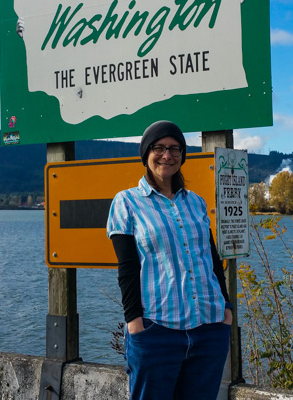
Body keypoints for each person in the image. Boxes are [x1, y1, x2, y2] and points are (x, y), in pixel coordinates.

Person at [107, 120, 233, 400]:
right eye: (159, 148)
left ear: (182, 155)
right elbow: (127, 268)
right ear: (146, 153)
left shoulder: (196, 202)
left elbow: (211, 259)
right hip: (156, 331)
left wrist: (226, 308)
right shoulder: (126, 202)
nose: (167, 155)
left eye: (175, 149)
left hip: (209, 329)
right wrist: (134, 323)